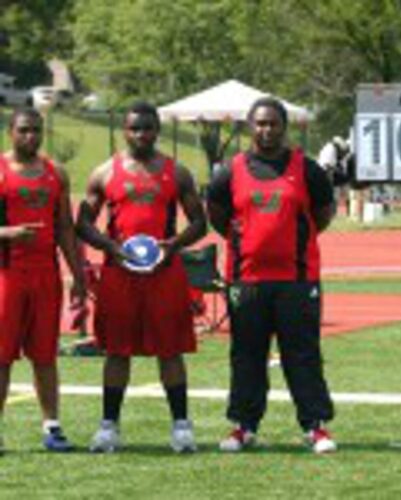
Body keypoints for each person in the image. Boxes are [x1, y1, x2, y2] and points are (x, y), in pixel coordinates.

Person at [207, 97, 336, 453]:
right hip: (246, 281)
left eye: (273, 123)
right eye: (260, 124)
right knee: (247, 355)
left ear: (284, 127)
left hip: (297, 280)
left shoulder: (307, 170)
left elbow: (322, 216)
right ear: (250, 127)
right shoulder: (228, 172)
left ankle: (315, 426)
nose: (266, 130)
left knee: (303, 354)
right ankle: (243, 426)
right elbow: (218, 216)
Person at [77, 101, 207, 453]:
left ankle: (181, 427)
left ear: (157, 130)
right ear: (125, 130)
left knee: (171, 350)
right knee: (117, 352)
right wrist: (110, 245)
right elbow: (83, 223)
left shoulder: (176, 172)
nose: (141, 134)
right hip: (120, 274)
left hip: (164, 274)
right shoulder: (105, 172)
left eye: (148, 128)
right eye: (135, 128)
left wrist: (173, 244)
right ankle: (108, 428)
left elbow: (200, 222)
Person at [0, 107, 86, 452]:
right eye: (24, 130)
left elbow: (65, 226)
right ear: (11, 131)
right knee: (2, 356)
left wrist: (78, 274)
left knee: (45, 355)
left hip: (46, 276)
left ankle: (52, 426)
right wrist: (7, 233)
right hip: (6, 276)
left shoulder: (55, 173)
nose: (30, 137)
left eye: (36, 130)